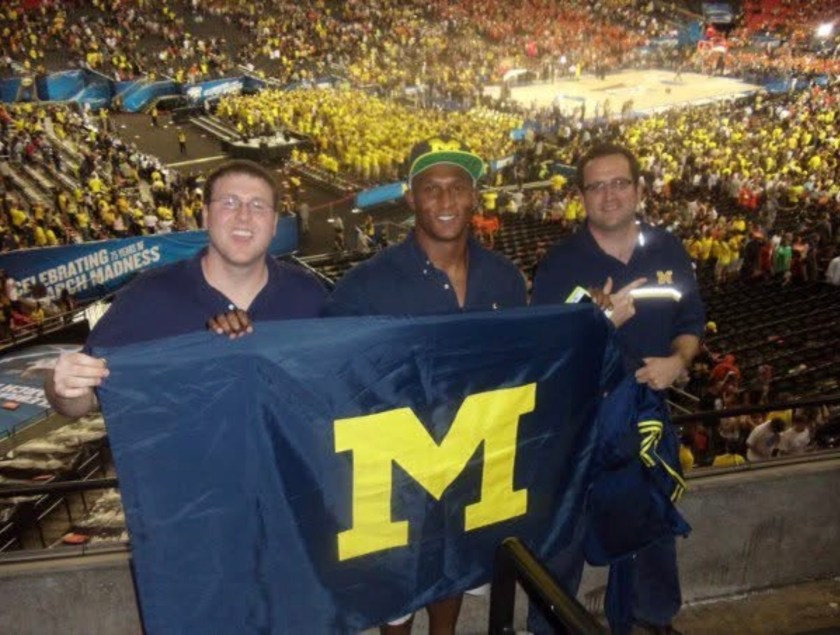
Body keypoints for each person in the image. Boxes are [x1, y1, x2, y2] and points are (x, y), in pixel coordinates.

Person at [325, 138, 527, 634]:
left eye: (457, 187)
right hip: (395, 472)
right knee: (397, 596)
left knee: (453, 574)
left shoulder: (505, 279)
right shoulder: (366, 283)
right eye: (431, 189)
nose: (445, 200)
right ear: (410, 197)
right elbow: (324, 367)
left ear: (474, 196)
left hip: (472, 463)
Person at [529, 142, 705, 635]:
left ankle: (652, 620)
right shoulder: (561, 265)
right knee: (563, 542)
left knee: (651, 530)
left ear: (639, 189)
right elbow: (546, 351)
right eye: (596, 186)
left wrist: (678, 360)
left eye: (619, 183)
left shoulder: (669, 249)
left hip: (645, 421)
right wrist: (597, 321)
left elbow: (690, 318)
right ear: (582, 196)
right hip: (578, 429)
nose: (609, 195)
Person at [45, 159, 327, 418]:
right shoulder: (147, 297)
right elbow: (83, 401)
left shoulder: (309, 294)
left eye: (257, 206)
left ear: (275, 223)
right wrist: (66, 388)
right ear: (205, 215)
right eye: (229, 202)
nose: (243, 216)